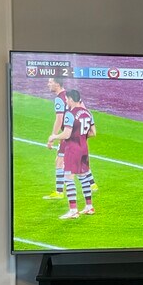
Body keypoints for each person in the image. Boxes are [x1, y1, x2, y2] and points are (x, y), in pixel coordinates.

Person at [47, 90, 95, 219]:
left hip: (72, 149)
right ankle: (89, 207)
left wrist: (54, 137)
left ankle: (73, 210)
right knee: (84, 176)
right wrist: (81, 136)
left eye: (67, 100)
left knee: (68, 178)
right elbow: (93, 133)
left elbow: (66, 134)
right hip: (84, 148)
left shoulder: (70, 114)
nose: (66, 101)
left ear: (71, 100)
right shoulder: (88, 113)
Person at [43, 76, 69, 200]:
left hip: (68, 134)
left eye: (50, 82)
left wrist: (53, 136)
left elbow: (59, 119)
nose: (48, 84)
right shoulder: (69, 95)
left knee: (60, 161)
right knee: (64, 160)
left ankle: (59, 193)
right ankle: (92, 184)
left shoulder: (59, 99)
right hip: (75, 132)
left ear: (57, 84)